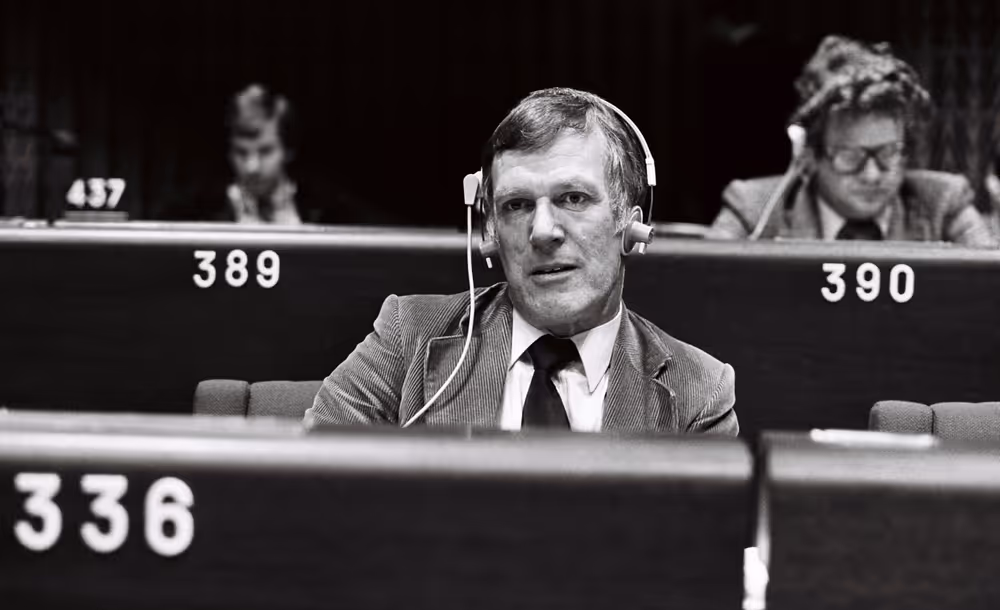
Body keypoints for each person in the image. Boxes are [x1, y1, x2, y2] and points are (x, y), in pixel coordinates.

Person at [306, 88, 738, 435]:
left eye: (573, 198)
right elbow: (310, 485)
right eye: (517, 205)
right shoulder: (409, 337)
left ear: (630, 226)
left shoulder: (698, 392)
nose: (543, 231)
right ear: (491, 234)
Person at [711, 35, 997, 246]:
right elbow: (702, 291)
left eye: (888, 153)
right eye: (850, 156)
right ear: (808, 155)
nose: (872, 175)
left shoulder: (944, 205)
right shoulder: (752, 210)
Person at [158, 84, 385, 225]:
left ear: (288, 150)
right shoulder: (193, 211)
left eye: (265, 151)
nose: (252, 167)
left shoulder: (330, 208)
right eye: (241, 152)